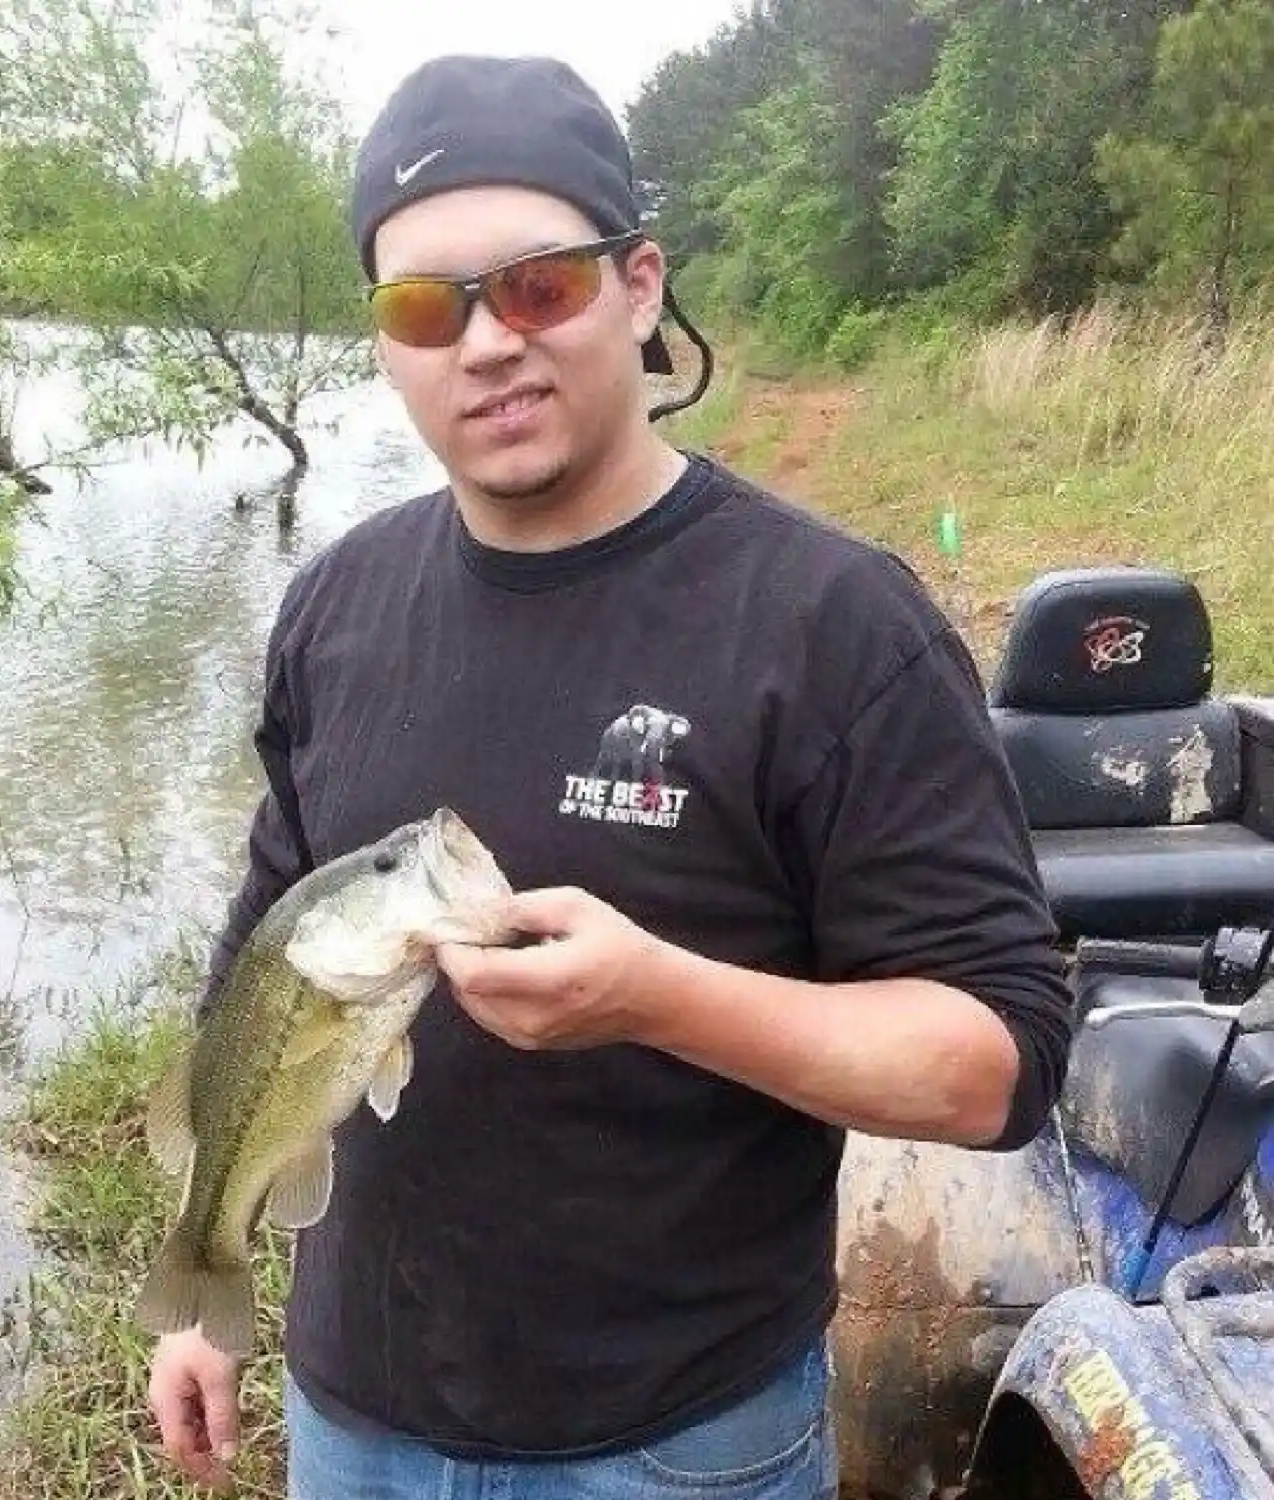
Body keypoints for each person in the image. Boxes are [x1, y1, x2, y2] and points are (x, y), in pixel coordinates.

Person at [146, 52, 1074, 1500]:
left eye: (537, 286)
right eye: (422, 307)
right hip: (355, 1419)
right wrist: (205, 1268)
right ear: (383, 340)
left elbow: (997, 1065)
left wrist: (658, 998)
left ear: (639, 287)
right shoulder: (336, 601)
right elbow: (268, 928)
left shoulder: (834, 627)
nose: (485, 344)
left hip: (676, 1441)